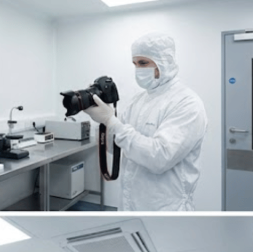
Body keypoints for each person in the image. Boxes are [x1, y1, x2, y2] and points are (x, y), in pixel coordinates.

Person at [85, 32, 208, 211]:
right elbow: (116, 148)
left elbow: (159, 158)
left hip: (166, 208)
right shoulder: (138, 100)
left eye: (143, 63)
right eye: (135, 64)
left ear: (164, 62)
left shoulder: (187, 103)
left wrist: (112, 121)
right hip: (131, 202)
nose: (138, 70)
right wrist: (102, 121)